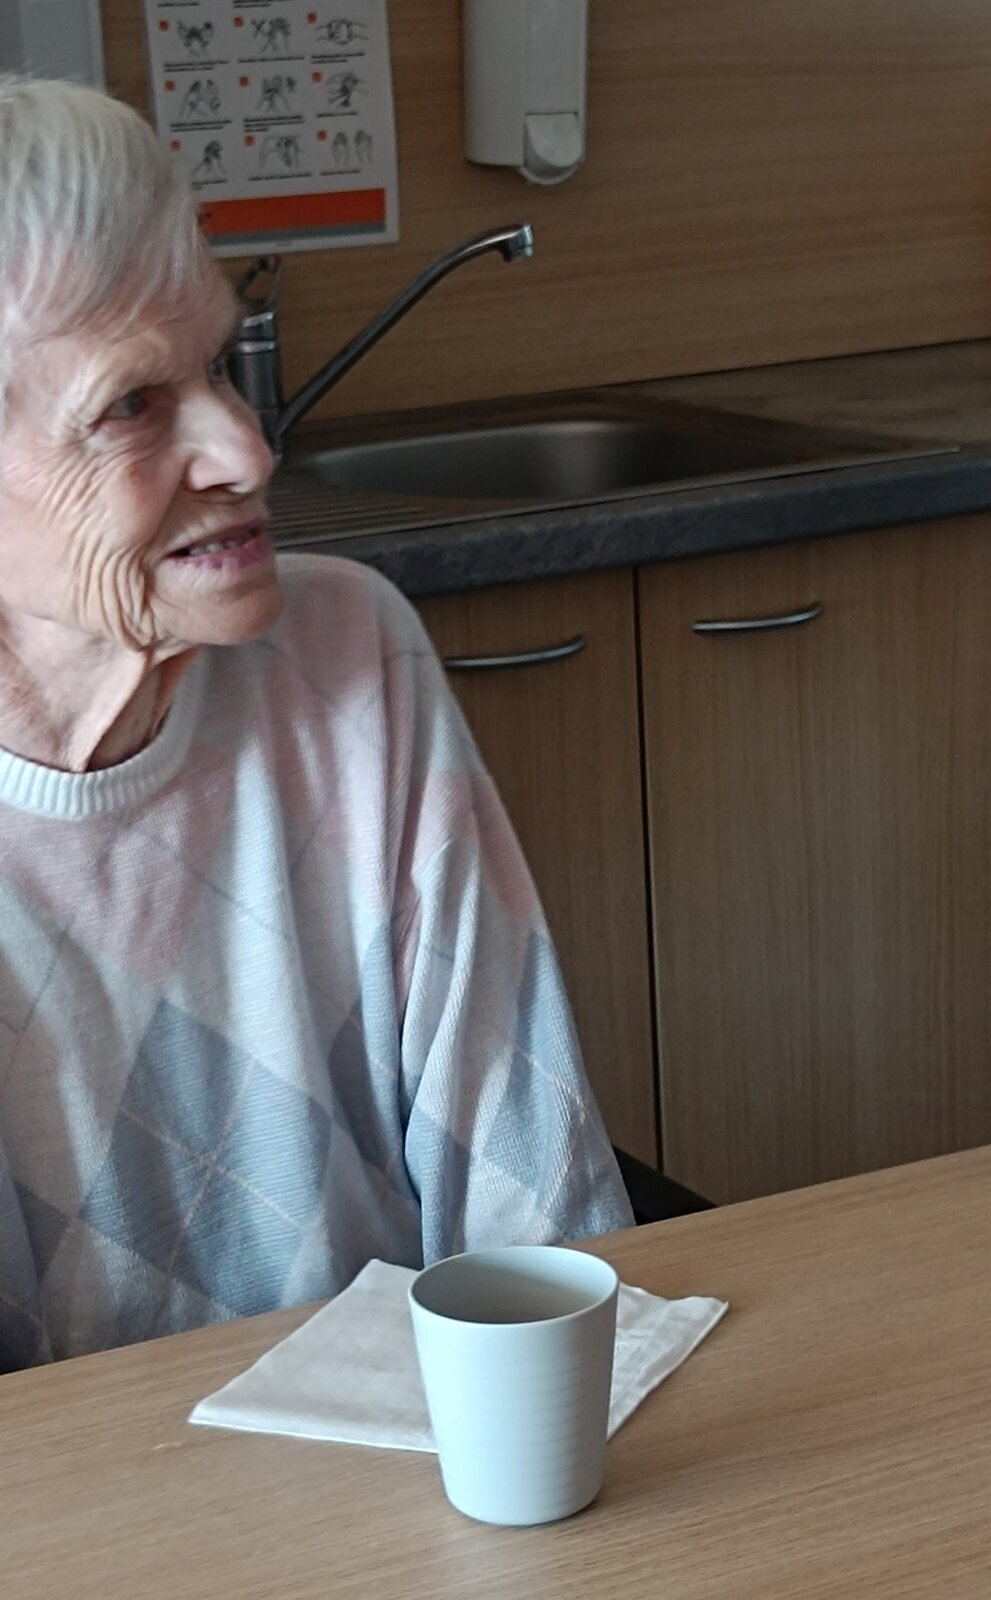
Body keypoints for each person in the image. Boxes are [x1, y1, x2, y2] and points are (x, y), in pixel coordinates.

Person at [0, 75, 632, 1372]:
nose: (247, 449)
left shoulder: (346, 657)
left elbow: (540, 1215)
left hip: (412, 1457)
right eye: (130, 404)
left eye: (217, 367)